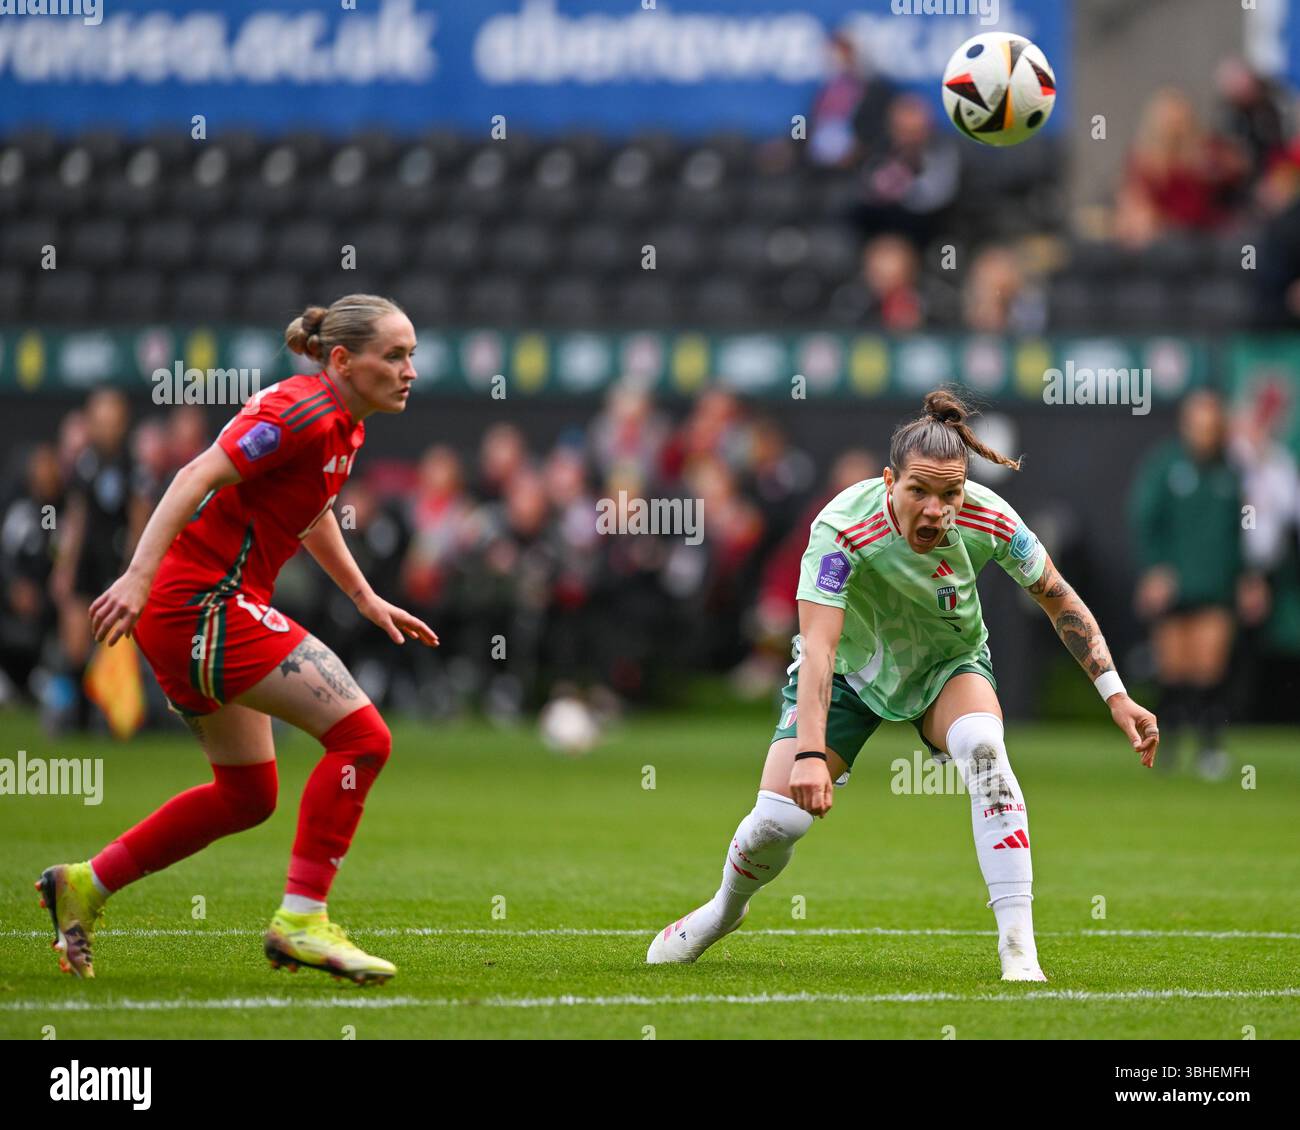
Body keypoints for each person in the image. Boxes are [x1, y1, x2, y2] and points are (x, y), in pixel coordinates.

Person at [648, 389, 1159, 981]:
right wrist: (811, 754)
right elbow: (819, 649)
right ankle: (721, 912)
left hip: (947, 666)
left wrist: (1116, 695)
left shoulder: (990, 516)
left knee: (986, 753)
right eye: (919, 490)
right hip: (849, 673)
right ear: (890, 481)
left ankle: (1019, 953)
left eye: (950, 493)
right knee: (778, 823)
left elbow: (1057, 598)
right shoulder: (842, 528)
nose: (936, 509)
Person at [35, 295, 438, 984]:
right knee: (364, 738)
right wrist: (137, 575)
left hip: (200, 609)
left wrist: (365, 597)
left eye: (411, 356)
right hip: (201, 605)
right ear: (343, 360)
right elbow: (196, 475)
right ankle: (302, 921)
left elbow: (308, 515)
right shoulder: (299, 411)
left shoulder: (342, 424)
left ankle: (84, 884)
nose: (409, 371)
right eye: (394, 355)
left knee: (248, 795)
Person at [1130, 389, 1266, 778]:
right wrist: (1155, 570)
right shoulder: (1165, 467)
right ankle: (1166, 743)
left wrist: (1251, 576)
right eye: (1198, 425)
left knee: (1209, 666)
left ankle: (1210, 747)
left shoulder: (1233, 473)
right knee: (1174, 669)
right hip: (1175, 587)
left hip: (1217, 585)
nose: (1204, 433)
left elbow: (1247, 527)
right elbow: (1145, 519)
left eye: (1211, 425)